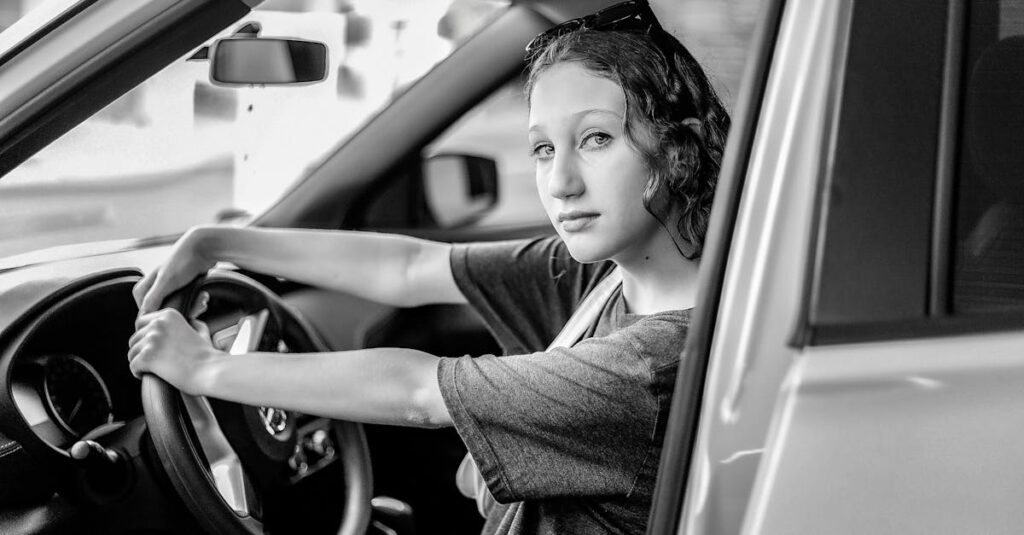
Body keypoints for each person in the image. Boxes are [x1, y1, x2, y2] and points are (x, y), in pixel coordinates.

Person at [128, 1, 729, 533]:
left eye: (597, 138)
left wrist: (205, 367)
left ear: (681, 147)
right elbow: (412, 267)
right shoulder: (603, 274)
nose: (561, 183)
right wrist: (218, 243)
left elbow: (417, 391)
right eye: (544, 149)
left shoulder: (651, 369)